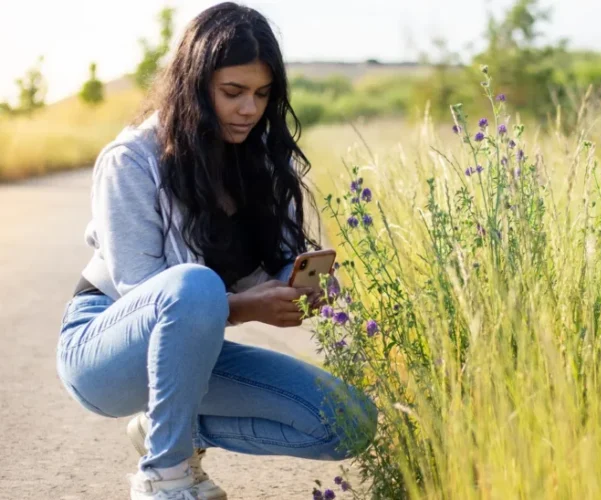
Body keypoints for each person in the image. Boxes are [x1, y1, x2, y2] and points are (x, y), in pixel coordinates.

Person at [55, 3, 377, 499]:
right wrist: (246, 307)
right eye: (233, 92)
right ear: (194, 85)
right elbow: (151, 294)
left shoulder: (260, 162)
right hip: (103, 352)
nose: (249, 109)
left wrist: (302, 281)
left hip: (189, 355)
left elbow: (274, 262)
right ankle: (166, 477)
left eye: (262, 95)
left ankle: (169, 429)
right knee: (195, 283)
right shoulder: (133, 159)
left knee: (348, 422)